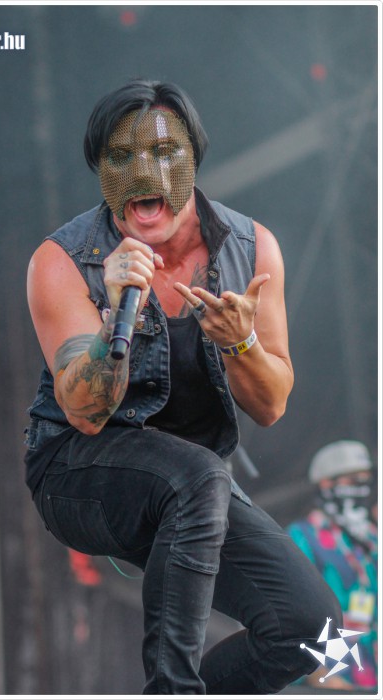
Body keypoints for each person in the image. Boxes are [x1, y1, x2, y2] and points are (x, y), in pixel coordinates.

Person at [24, 78, 342, 694]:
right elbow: (85, 412)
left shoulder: (252, 249)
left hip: (196, 489)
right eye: (122, 158)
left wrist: (240, 343)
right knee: (197, 475)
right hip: (78, 473)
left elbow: (271, 405)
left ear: (194, 157)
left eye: (165, 153)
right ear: (101, 170)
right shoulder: (62, 261)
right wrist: (115, 311)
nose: (145, 175)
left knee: (310, 628)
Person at [287, 440, 377, 691]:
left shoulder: (372, 536)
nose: (362, 488)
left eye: (367, 481)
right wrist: (317, 674)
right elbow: (290, 612)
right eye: (354, 480)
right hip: (329, 678)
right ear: (327, 483)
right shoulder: (302, 536)